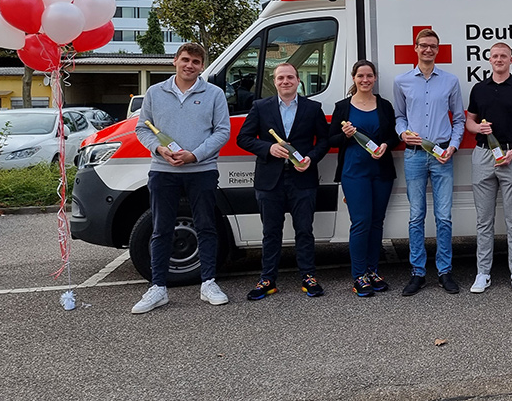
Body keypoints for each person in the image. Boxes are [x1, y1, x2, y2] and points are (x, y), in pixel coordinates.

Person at [132, 42, 231, 314]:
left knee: (206, 226)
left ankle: (208, 283)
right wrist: (158, 148)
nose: (190, 65)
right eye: (185, 59)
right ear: (175, 61)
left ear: (202, 66)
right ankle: (158, 288)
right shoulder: (155, 92)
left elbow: (223, 131)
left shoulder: (214, 94)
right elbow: (143, 129)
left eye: (196, 62)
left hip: (202, 171)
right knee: (161, 228)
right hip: (163, 171)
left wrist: (195, 155)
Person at [236, 62, 330, 301]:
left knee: (304, 231)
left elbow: (324, 141)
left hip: (303, 177)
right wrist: (268, 148)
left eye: (290, 77)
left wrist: (311, 157)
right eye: (280, 78)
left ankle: (308, 277)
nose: (285, 81)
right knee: (270, 232)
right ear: (274, 81)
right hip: (270, 180)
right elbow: (243, 138)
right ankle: (267, 279)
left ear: (298, 81)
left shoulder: (312, 108)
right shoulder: (260, 107)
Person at [394, 29, 465, 296]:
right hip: (414, 156)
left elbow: (459, 119)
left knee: (444, 217)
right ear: (415, 48)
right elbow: (399, 117)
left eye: (432, 46)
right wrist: (402, 133)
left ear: (438, 50)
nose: (428, 50)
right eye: (423, 45)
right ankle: (417, 273)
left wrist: (454, 147)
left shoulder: (450, 81)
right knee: (416, 216)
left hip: (442, 154)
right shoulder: (402, 81)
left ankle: (445, 271)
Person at [465, 42, 512, 293]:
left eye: (503, 56)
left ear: (511, 59)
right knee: (483, 221)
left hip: (511, 155)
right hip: (483, 156)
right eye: (495, 56)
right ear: (489, 60)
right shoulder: (479, 89)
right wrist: (478, 129)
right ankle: (482, 273)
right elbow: (469, 121)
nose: (499, 59)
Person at [327, 60, 400, 297]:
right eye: (361, 76)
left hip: (381, 171)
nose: (365, 80)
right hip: (354, 171)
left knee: (377, 221)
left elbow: (393, 136)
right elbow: (331, 140)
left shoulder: (384, 105)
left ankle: (373, 271)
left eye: (369, 76)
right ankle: (359, 275)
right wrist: (345, 135)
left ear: (375, 78)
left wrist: (386, 145)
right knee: (361, 222)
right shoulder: (343, 107)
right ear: (354, 78)